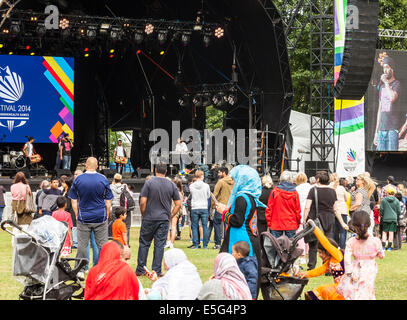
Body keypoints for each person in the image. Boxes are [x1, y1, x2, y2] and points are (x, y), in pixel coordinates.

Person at [216, 165, 264, 299]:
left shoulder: (241, 197)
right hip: (249, 237)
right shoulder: (251, 197)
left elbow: (237, 220)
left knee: (236, 270)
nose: (235, 183)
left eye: (236, 179)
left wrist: (223, 212)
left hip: (239, 238)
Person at [68, 157, 114, 280]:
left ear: (86, 166)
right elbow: (108, 201)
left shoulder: (78, 179)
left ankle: (81, 270)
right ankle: (103, 269)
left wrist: (77, 214)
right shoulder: (103, 179)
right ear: (97, 166)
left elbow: (73, 200)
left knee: (82, 245)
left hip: (84, 217)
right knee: (102, 245)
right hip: (100, 216)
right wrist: (107, 213)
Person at [136, 163, 181, 276]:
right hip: (163, 219)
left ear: (155, 170)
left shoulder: (149, 183)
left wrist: (143, 214)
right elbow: (178, 203)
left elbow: (142, 201)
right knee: (159, 244)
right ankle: (156, 269)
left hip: (149, 217)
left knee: (144, 243)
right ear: (166, 172)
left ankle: (141, 269)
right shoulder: (171, 184)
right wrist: (170, 215)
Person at [303, 171, 348, 271]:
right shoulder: (332, 191)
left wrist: (304, 219)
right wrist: (342, 222)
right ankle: (328, 267)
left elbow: (307, 207)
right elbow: (336, 209)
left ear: (318, 179)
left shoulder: (312, 190)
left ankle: (311, 267)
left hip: (315, 219)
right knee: (328, 244)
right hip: (329, 219)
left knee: (313, 244)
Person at [338, 210, 385, 300]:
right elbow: (381, 255)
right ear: (369, 224)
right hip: (370, 269)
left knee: (356, 290)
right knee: (368, 290)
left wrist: (349, 272)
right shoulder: (375, 241)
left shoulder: (351, 242)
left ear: (354, 226)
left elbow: (347, 259)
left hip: (355, 269)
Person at [297, 230, 345, 300]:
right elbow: (319, 271)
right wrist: (305, 274)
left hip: (345, 289)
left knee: (321, 290)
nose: (319, 255)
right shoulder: (329, 262)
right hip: (339, 289)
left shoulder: (338, 255)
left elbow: (325, 243)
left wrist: (315, 228)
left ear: (328, 251)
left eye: (321, 252)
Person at [373, 55, 401, 151]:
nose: (385, 70)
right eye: (383, 68)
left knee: (391, 159)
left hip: (392, 129)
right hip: (381, 129)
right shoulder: (381, 87)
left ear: (392, 69)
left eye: (387, 67)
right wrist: (376, 132)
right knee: (380, 159)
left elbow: (392, 98)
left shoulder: (397, 84)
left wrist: (386, 83)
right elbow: (380, 110)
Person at [265, 170, 301, 239]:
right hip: (291, 223)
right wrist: (298, 223)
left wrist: (269, 223)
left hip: (276, 223)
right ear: (291, 179)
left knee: (277, 247)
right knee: (291, 247)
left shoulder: (275, 192)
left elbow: (269, 209)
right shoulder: (295, 193)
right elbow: (297, 210)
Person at [211, 167, 235, 249]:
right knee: (228, 225)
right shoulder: (234, 182)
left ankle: (218, 243)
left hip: (221, 206)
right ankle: (228, 243)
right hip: (231, 206)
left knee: (217, 224)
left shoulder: (220, 182)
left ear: (224, 173)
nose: (218, 174)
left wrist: (213, 205)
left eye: (219, 172)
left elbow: (215, 194)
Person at [189, 170, 211, 249]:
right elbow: (208, 196)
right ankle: (205, 245)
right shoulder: (206, 186)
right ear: (202, 176)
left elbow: (191, 195)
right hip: (203, 207)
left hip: (195, 206)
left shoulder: (191, 186)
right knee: (205, 226)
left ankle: (195, 244)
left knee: (194, 226)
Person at [295, 172, 312, 265]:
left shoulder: (296, 189)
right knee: (309, 235)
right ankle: (309, 254)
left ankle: (302, 256)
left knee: (300, 236)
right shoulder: (311, 188)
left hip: (299, 214)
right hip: (310, 214)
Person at [330, 173, 350, 250]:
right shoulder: (341, 188)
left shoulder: (329, 187)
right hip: (342, 210)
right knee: (343, 231)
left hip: (332, 210)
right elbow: (346, 198)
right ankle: (342, 248)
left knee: (334, 230)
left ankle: (335, 246)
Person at [110, 173, 131, 244]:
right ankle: (126, 242)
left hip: (114, 207)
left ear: (114, 179)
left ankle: (116, 242)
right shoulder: (124, 186)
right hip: (123, 207)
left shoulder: (111, 187)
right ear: (121, 180)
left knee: (115, 225)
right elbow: (129, 195)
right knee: (126, 226)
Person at [165, 177, 184, 249]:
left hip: (169, 210)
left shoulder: (170, 192)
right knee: (173, 227)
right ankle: (171, 243)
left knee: (168, 227)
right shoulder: (180, 193)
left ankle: (168, 241)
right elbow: (180, 205)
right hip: (176, 211)